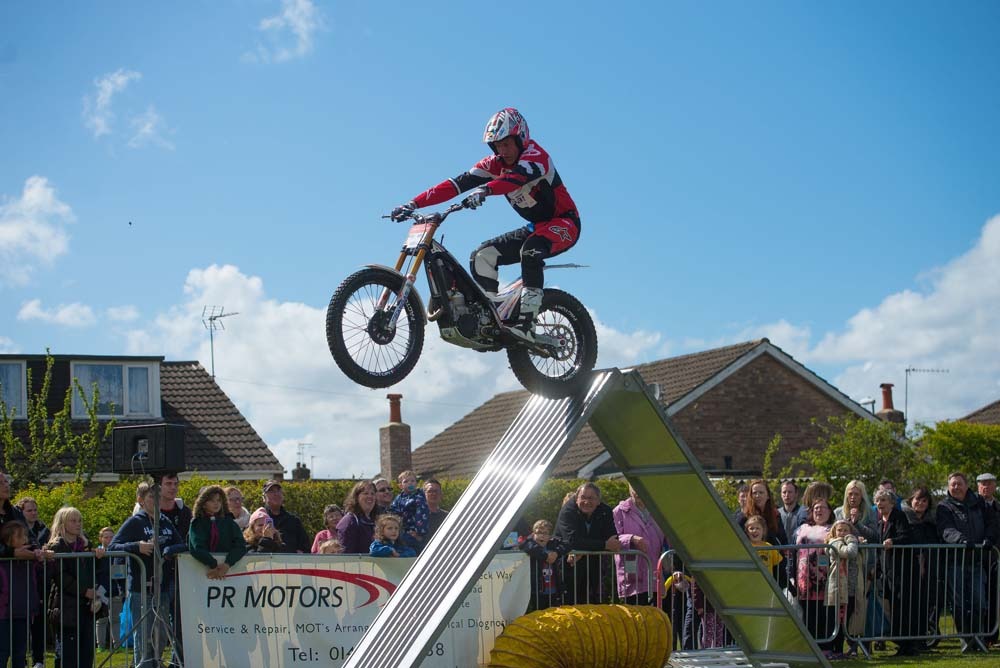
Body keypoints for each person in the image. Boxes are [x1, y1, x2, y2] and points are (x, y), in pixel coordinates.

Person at [390, 107, 581, 342]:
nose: (503, 150)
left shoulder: (537, 157)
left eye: (507, 143)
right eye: (497, 145)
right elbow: (455, 184)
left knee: (530, 252)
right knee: (482, 255)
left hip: (564, 223)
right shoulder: (494, 164)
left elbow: (514, 180)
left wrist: (487, 189)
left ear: (521, 138)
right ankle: (490, 319)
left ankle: (528, 322)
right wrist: (413, 203)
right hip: (536, 226)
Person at [109, 481, 186, 668]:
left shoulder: (165, 521)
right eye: (151, 497)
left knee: (160, 635)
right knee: (144, 636)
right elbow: (113, 546)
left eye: (158, 497)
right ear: (141, 500)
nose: (155, 500)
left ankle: (156, 664)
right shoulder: (135, 522)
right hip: (141, 589)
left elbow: (183, 544)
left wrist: (169, 549)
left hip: (163, 587)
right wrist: (137, 547)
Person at [936, 471, 998, 652]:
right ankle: (966, 639)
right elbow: (945, 529)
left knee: (979, 601)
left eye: (959, 484)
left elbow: (992, 523)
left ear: (966, 485)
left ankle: (978, 638)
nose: (956, 487)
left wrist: (989, 538)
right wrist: (960, 539)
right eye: (953, 484)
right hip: (955, 562)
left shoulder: (979, 502)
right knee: (959, 603)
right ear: (948, 486)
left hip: (977, 562)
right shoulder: (944, 506)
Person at [46, 506, 103, 668]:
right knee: (67, 655)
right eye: (73, 521)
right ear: (63, 523)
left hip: (85, 607)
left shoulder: (85, 543)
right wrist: (84, 591)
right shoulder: (57, 546)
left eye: (79, 521)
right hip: (66, 606)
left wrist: (98, 557)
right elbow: (60, 577)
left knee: (86, 653)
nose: (78, 524)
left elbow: (92, 571)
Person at [555, 482, 620, 604]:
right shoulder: (567, 511)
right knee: (571, 604)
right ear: (576, 498)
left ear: (598, 501)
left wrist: (583, 549)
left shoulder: (605, 511)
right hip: (568, 565)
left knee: (594, 603)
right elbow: (572, 540)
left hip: (594, 566)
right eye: (583, 497)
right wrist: (603, 545)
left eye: (591, 498)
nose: (586, 502)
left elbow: (613, 539)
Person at [872, 487, 917, 656]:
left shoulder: (899, 517)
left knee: (903, 607)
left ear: (891, 503)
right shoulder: (879, 523)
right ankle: (901, 643)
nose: (880, 503)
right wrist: (876, 568)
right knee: (894, 608)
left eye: (883, 500)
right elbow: (879, 548)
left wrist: (893, 541)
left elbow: (907, 537)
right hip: (887, 571)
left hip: (902, 570)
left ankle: (908, 645)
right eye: (877, 501)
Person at [612, 485, 666, 605]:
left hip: (655, 574)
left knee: (655, 617)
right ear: (629, 488)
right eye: (634, 487)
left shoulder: (658, 510)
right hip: (632, 574)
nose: (638, 491)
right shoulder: (619, 511)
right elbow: (613, 539)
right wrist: (631, 539)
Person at [796, 498, 835, 655]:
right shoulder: (802, 528)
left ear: (830, 511)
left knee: (823, 613)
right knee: (807, 612)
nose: (819, 511)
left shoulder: (832, 529)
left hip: (823, 578)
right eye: (816, 508)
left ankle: (825, 646)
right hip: (803, 577)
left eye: (823, 508)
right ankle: (809, 646)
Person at [15, 497, 48, 668]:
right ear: (21, 512)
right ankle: (21, 661)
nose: (33, 513)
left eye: (35, 510)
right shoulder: (17, 530)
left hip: (40, 582)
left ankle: (39, 660)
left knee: (39, 624)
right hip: (21, 581)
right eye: (29, 510)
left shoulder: (43, 529)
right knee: (22, 625)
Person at [0, 522, 39, 668]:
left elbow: (46, 570)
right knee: (2, 652)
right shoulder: (3, 562)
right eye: (20, 536)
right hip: (3, 614)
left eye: (25, 535)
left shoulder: (30, 560)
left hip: (23, 612)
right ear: (9, 540)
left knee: (20, 654)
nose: (25, 539)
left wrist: (41, 555)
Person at [188, 485, 247, 580]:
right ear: (203, 503)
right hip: (201, 573)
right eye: (212, 500)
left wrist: (227, 564)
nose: (216, 504)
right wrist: (213, 565)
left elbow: (241, 546)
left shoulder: (229, 522)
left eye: (219, 500)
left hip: (231, 573)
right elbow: (196, 547)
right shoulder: (197, 523)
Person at [825, 520, 863, 658]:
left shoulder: (848, 541)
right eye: (839, 530)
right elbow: (850, 552)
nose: (842, 533)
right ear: (834, 532)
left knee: (846, 619)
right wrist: (853, 540)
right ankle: (836, 649)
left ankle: (841, 649)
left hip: (850, 588)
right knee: (837, 620)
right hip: (838, 588)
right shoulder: (835, 543)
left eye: (846, 530)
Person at [520, 519, 568, 610]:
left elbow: (567, 544)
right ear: (533, 534)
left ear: (550, 536)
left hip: (553, 590)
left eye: (545, 533)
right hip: (537, 591)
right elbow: (527, 546)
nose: (542, 535)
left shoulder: (553, 544)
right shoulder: (529, 543)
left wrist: (556, 553)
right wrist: (545, 555)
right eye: (538, 532)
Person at [94, 526, 126, 653]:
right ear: (100, 538)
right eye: (106, 537)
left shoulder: (119, 552)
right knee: (101, 619)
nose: (109, 539)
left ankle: (117, 645)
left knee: (115, 618)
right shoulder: (97, 553)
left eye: (111, 537)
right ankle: (100, 646)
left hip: (116, 589)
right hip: (101, 590)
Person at [977, 473, 999, 645]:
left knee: (994, 596)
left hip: (995, 557)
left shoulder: (997, 506)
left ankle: (992, 635)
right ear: (978, 486)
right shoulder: (974, 506)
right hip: (978, 557)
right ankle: (981, 634)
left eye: (989, 484)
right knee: (980, 597)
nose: (986, 487)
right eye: (983, 484)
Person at [260, 480, 310, 554]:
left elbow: (305, 547)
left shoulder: (294, 521)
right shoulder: (259, 521)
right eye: (271, 491)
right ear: (264, 497)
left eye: (279, 491)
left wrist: (300, 552)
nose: (276, 494)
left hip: (291, 564)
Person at [734, 479, 788, 547]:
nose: (757, 495)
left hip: (773, 555)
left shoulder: (775, 515)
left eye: (761, 492)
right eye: (754, 493)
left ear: (768, 496)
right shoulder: (743, 517)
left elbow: (783, 539)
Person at [388, 470, 429, 553]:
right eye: (406, 481)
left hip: (416, 531)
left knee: (416, 550)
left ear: (416, 483)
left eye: (412, 481)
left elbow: (422, 514)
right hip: (403, 531)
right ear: (400, 486)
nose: (410, 483)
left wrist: (420, 533)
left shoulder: (419, 496)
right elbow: (392, 510)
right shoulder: (399, 498)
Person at [337, 481, 378, 554]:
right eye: (365, 493)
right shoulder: (349, 521)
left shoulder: (375, 520)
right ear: (356, 497)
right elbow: (346, 555)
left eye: (373, 493)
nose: (370, 496)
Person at [778, 480, 802, 548]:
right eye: (784, 492)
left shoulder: (803, 512)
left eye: (790, 492)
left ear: (796, 494)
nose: (787, 495)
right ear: (781, 494)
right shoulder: (777, 513)